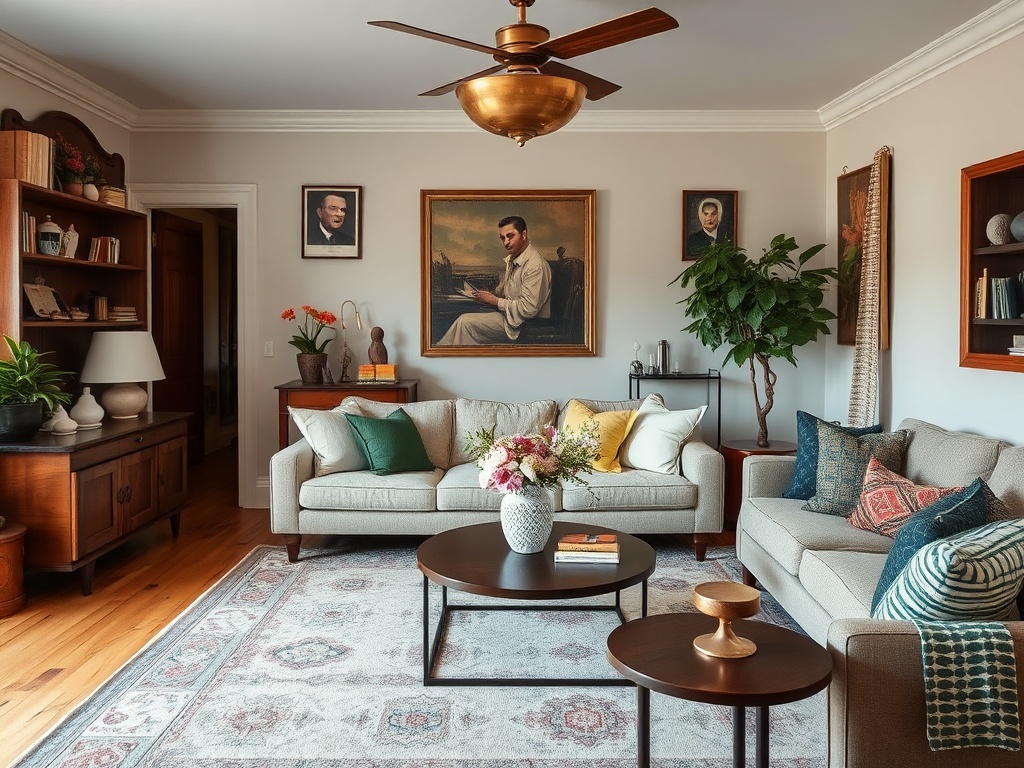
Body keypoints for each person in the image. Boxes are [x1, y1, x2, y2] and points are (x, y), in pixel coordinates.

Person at [438, 216, 552, 345]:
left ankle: (445, 355)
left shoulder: (535, 265)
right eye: (502, 238)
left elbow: (528, 309)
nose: (506, 242)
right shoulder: (514, 259)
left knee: (464, 323)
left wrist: (494, 300)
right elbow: (506, 290)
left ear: (524, 234)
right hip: (511, 318)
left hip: (523, 325)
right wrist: (489, 294)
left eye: (510, 236)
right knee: (463, 320)